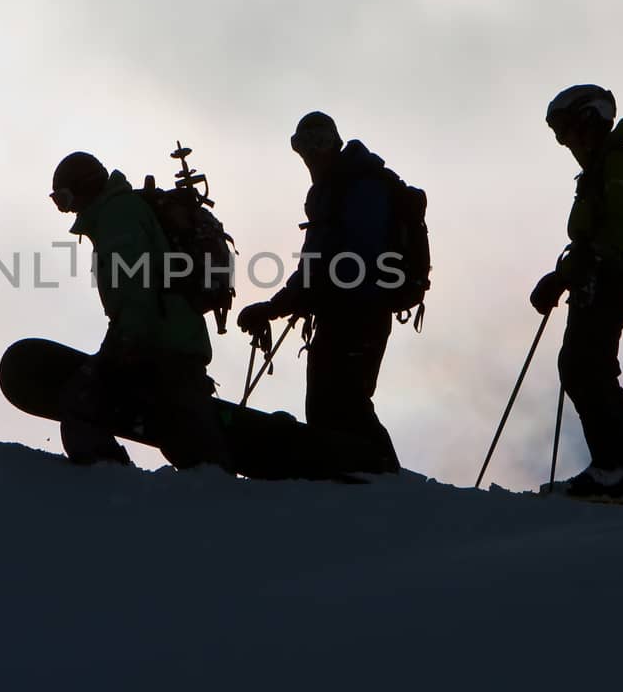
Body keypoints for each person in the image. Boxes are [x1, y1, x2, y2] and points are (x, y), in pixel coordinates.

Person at [235, 112, 402, 475]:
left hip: (360, 312)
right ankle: (351, 479)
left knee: (345, 402)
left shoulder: (359, 185)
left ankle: (385, 480)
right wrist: (278, 306)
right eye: (304, 146)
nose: (311, 154)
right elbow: (315, 264)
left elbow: (354, 259)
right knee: (329, 405)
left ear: (334, 142)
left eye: (319, 143)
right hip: (342, 313)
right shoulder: (328, 192)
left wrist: (306, 297)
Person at [49, 151, 230, 471]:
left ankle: (109, 481)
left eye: (64, 198)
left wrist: (126, 340)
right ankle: (213, 487)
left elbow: (134, 286)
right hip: (175, 338)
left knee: (82, 403)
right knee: (184, 438)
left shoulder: (117, 216)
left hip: (155, 339)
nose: (67, 209)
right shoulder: (119, 212)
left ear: (84, 187)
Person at [529, 84, 623, 499]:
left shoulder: (618, 164)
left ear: (589, 121)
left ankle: (619, 469)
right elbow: (590, 241)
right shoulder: (601, 168)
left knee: (587, 367)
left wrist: (566, 276)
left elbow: (616, 235)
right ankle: (621, 468)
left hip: (610, 282)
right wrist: (564, 276)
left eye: (565, 129)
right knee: (582, 366)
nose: (563, 141)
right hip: (596, 282)